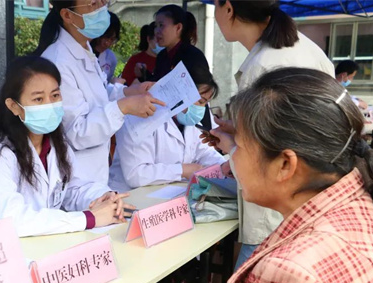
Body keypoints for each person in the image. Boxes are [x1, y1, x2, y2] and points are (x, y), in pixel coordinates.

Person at [126, 67, 373, 283]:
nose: (232, 158)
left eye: (240, 146)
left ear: (285, 165)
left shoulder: (296, 276)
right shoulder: (354, 206)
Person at [207, 0, 335, 270]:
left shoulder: (262, 67)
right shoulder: (307, 49)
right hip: (310, 204)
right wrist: (240, 133)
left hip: (276, 213)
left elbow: (265, 159)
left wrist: (233, 145)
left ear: (228, 8)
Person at [0, 55, 131, 237]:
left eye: (55, 95)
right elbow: (13, 218)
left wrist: (102, 197)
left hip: (40, 242)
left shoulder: (56, 144)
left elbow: (71, 188)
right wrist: (88, 219)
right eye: (38, 99)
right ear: (14, 106)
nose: (50, 105)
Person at [34, 0, 164, 186]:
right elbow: (76, 132)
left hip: (94, 176)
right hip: (76, 181)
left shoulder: (84, 48)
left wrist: (128, 92)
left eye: (103, 2)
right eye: (94, 3)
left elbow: (97, 95)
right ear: (68, 15)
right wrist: (123, 107)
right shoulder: (58, 62)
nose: (102, 9)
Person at [109, 63, 228, 192]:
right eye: (200, 101)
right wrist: (182, 170)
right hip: (130, 195)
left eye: (205, 103)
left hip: (166, 193)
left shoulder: (187, 123)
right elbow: (136, 175)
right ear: (180, 92)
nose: (201, 108)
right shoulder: (138, 117)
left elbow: (204, 152)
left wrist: (224, 166)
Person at [134, 5, 206, 82]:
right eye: (156, 26)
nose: (156, 31)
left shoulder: (193, 56)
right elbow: (158, 85)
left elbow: (204, 87)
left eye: (161, 25)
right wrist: (144, 75)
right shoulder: (162, 56)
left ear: (178, 28)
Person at [91, 11, 121, 84]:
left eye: (112, 39)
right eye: (105, 37)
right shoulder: (83, 50)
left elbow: (106, 83)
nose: (107, 43)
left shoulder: (111, 58)